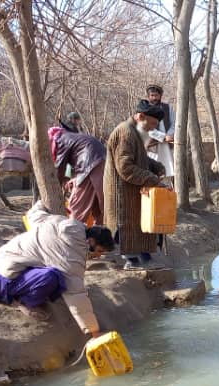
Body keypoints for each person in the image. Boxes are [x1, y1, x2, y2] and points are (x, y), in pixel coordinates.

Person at [0, 201, 114, 336]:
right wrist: (94, 332)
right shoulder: (71, 255)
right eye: (100, 250)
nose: (99, 255)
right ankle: (23, 301)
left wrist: (42, 203)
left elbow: (33, 214)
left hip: (4, 261)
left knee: (57, 277)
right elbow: (76, 295)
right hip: (10, 277)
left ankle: (25, 292)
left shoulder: (60, 221)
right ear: (91, 241)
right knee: (52, 277)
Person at [103, 101, 173, 271]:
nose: (152, 129)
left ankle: (144, 258)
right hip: (122, 191)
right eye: (152, 124)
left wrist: (155, 166)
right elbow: (125, 167)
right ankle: (131, 261)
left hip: (132, 189)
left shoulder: (135, 133)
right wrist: (153, 179)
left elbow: (138, 157)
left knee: (137, 224)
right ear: (140, 117)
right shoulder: (125, 133)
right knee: (127, 224)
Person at [49, 125, 106, 226]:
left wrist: (55, 190)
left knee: (77, 207)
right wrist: (74, 180)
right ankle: (99, 235)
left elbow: (59, 168)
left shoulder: (60, 141)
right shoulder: (71, 137)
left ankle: (71, 235)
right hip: (102, 160)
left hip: (90, 163)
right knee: (98, 206)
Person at [144, 84, 174, 178]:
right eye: (152, 95)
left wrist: (169, 135)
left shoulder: (168, 108)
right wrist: (163, 137)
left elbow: (175, 123)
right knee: (153, 172)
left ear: (160, 96)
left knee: (169, 170)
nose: (154, 98)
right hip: (152, 146)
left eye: (156, 95)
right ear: (148, 96)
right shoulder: (145, 110)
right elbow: (146, 128)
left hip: (168, 144)